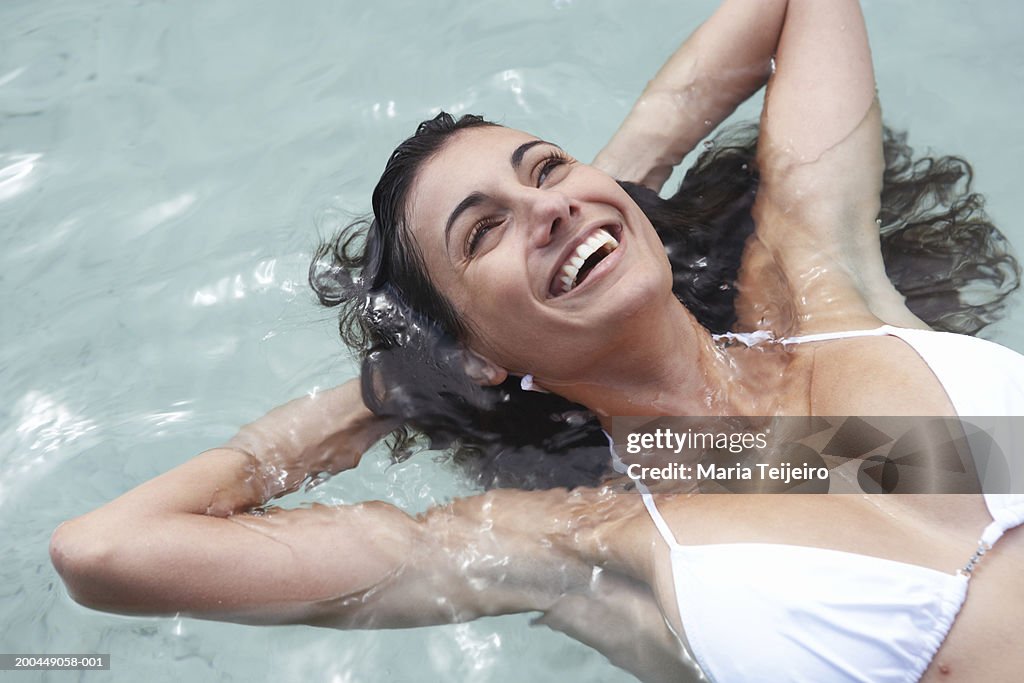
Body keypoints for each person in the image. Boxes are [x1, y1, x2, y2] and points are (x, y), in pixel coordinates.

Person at [49, 1, 1024, 681]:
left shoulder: (821, 284)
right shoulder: (578, 537)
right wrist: (392, 385)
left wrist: (614, 188)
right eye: (485, 230)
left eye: (544, 167)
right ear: (480, 349)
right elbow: (105, 550)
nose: (545, 209)